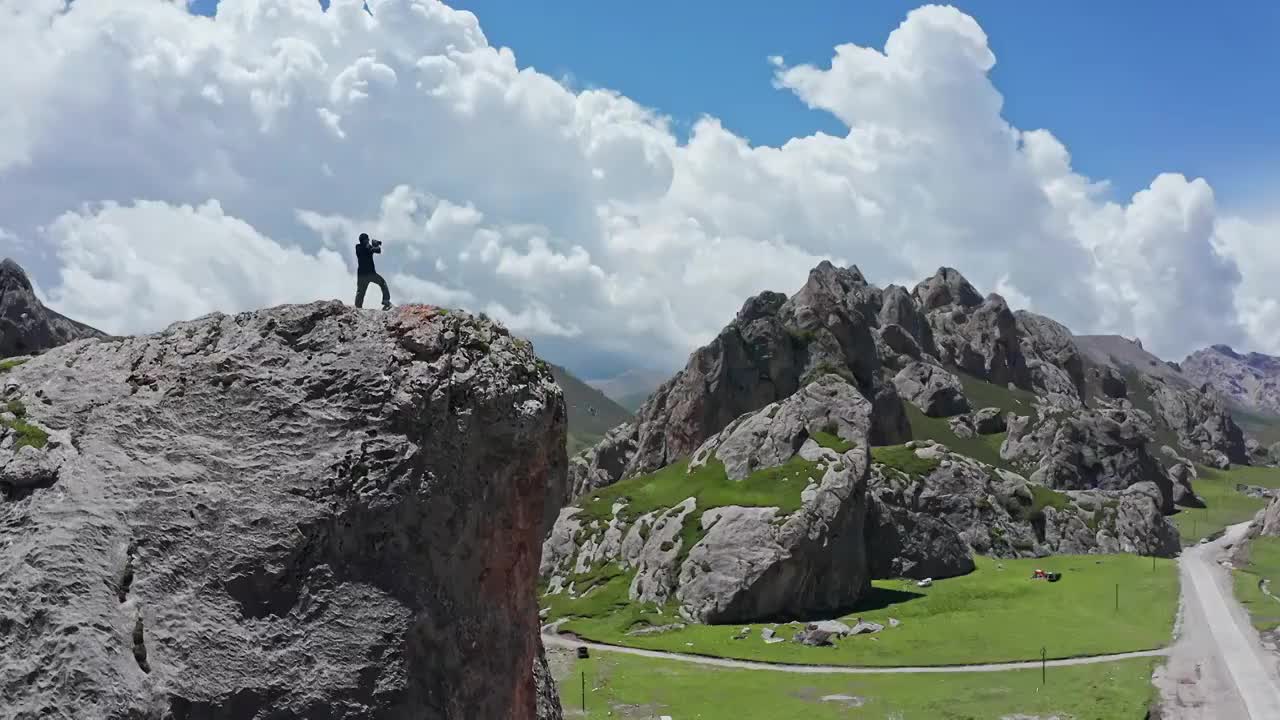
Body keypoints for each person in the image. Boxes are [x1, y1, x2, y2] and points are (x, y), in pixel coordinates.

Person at [354, 233, 392, 310]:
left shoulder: (360, 247)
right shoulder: (360, 247)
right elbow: (375, 250)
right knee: (382, 284)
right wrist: (375, 245)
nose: (368, 240)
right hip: (369, 274)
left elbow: (377, 250)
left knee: (360, 292)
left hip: (363, 274)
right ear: (364, 240)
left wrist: (375, 245)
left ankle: (358, 308)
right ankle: (386, 301)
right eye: (367, 239)